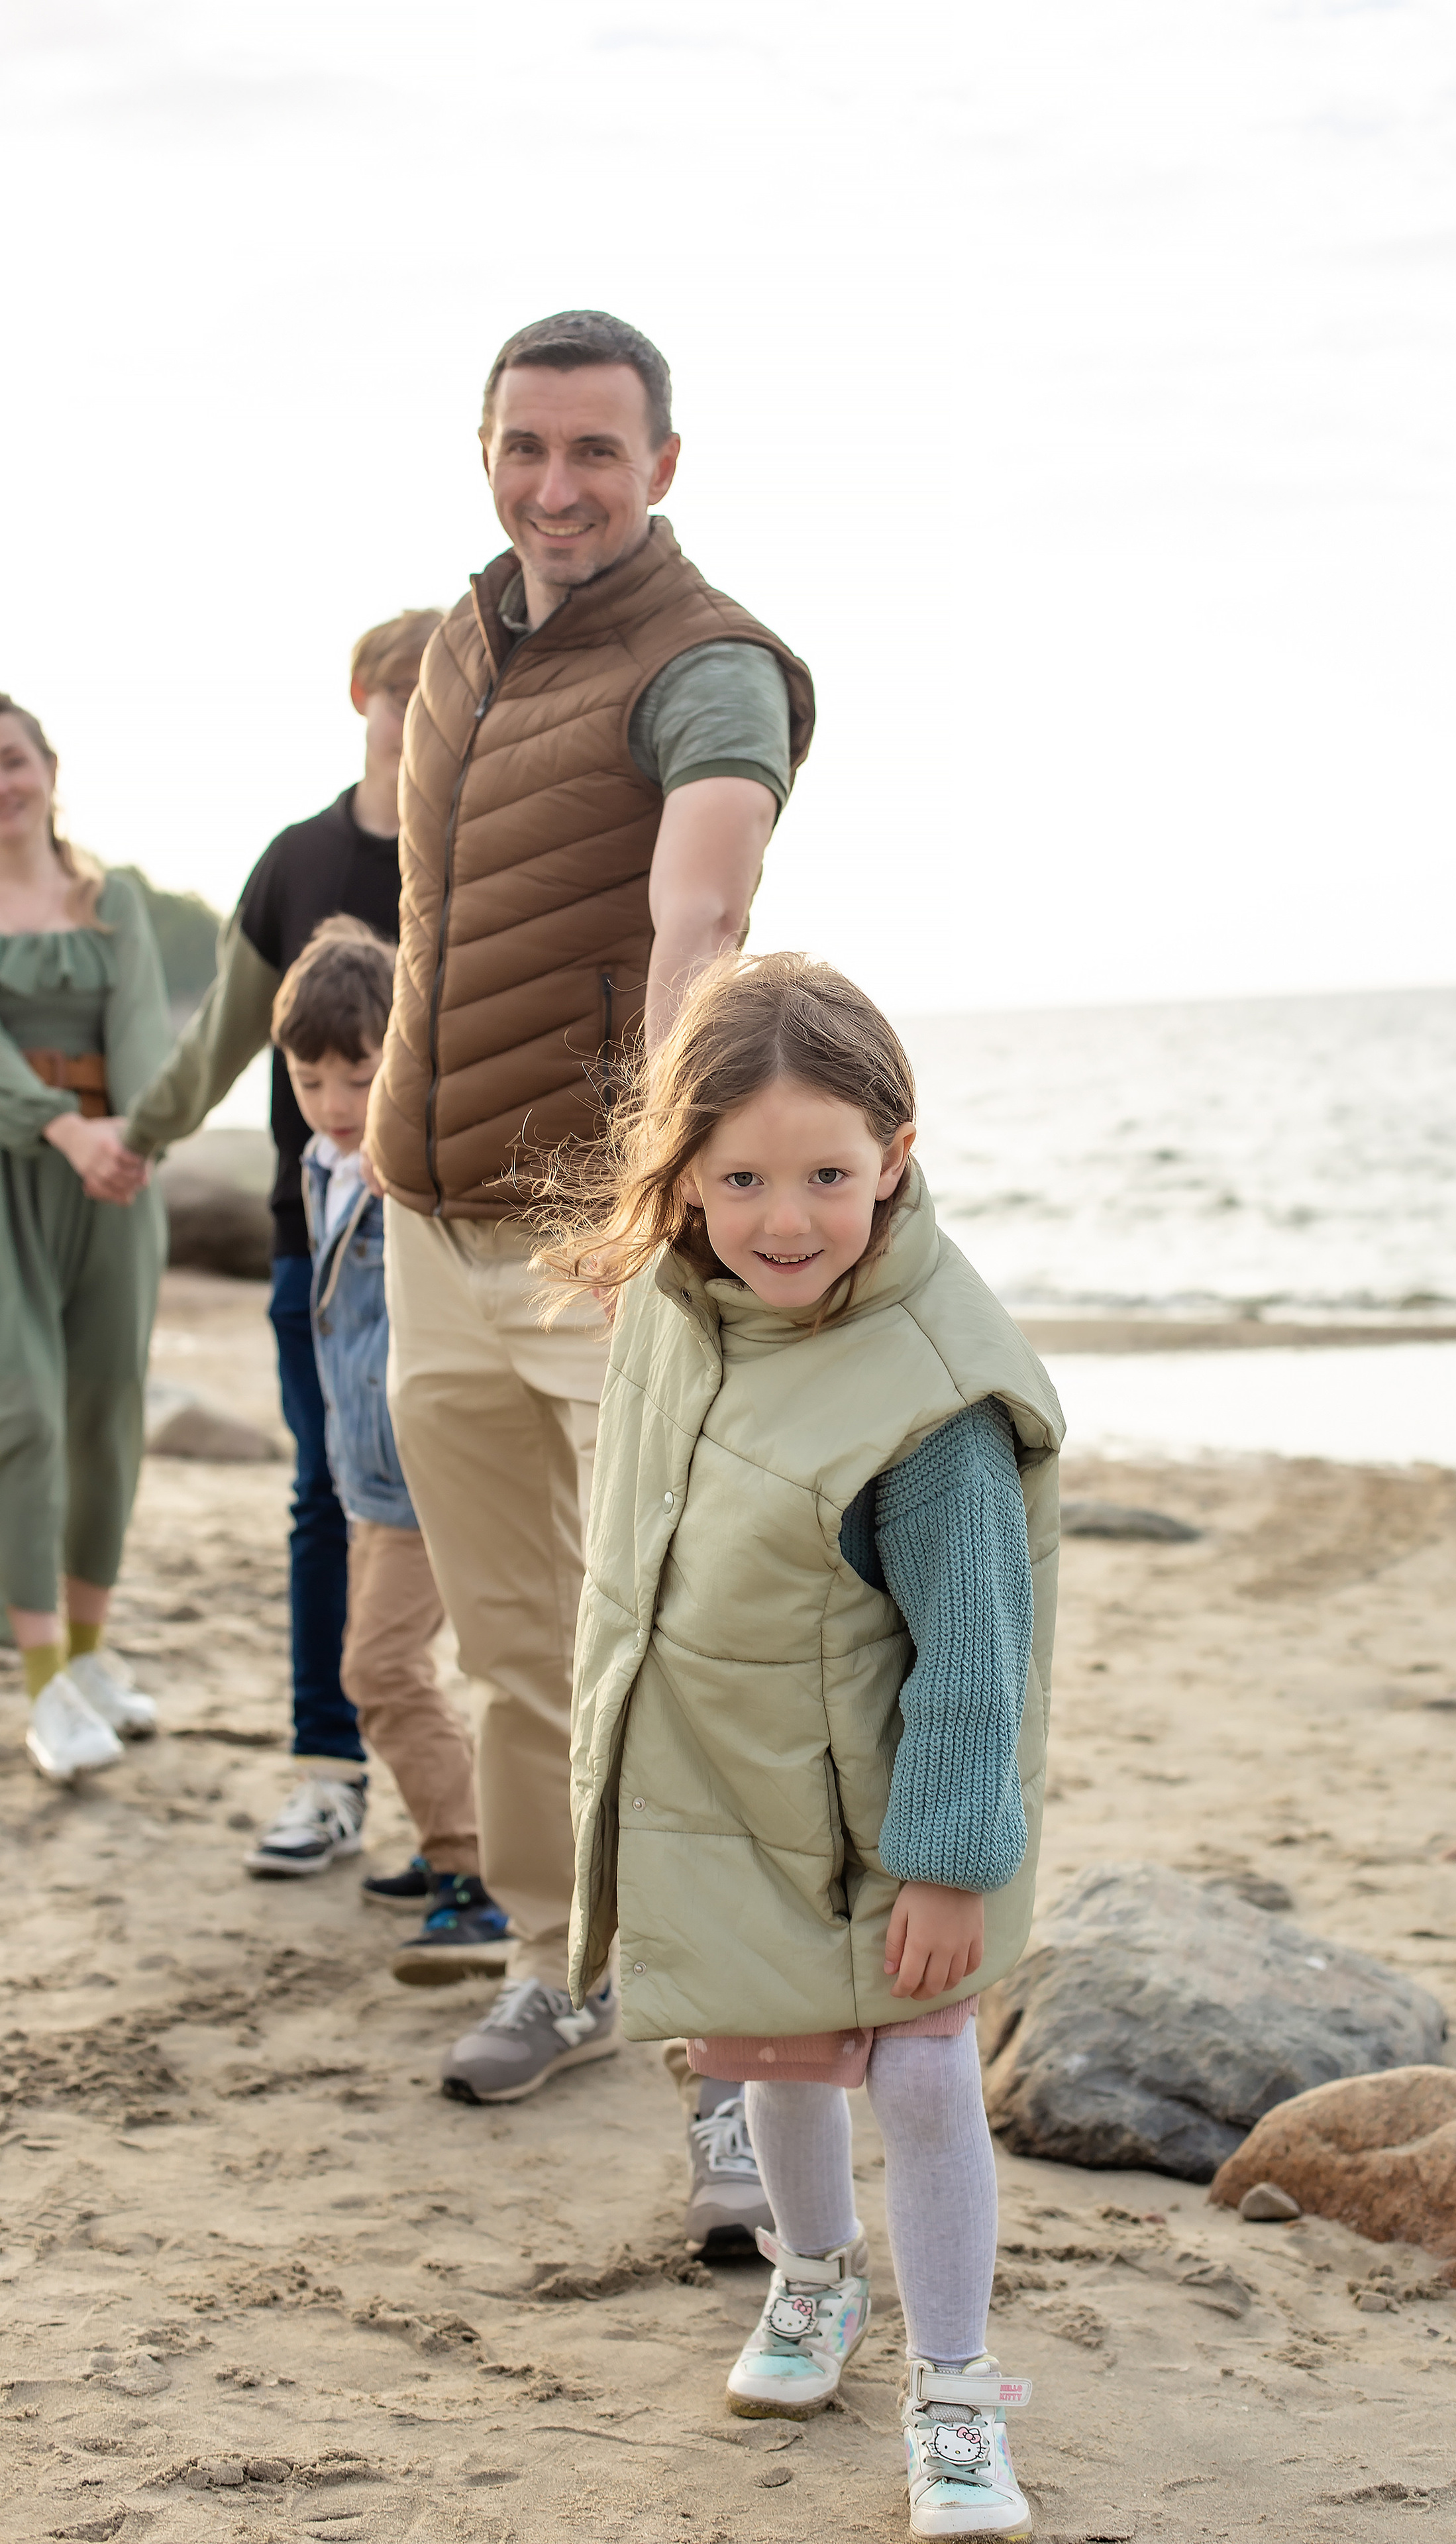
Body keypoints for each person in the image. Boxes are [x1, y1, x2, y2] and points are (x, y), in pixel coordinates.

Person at [362, 305, 815, 2200]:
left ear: (664, 468)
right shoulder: (463, 638)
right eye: (526, 447)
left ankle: (733, 2069)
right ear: (485, 448)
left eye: (597, 454)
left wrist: (653, 1188)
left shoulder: (710, 668)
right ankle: (559, 1961)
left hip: (596, 1242)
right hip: (426, 1219)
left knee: (672, 1650)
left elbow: (697, 912)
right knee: (521, 1641)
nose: (558, 487)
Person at [539, 951, 1063, 2541]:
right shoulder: (680, 1315)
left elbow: (979, 1653)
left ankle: (957, 2389)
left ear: (893, 1160)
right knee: (760, 2046)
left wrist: (952, 1865)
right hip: (724, 1786)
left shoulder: (926, 1397)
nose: (786, 1219)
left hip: (889, 1816)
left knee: (917, 2077)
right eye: (744, 1176)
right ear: (684, 1174)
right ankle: (812, 2281)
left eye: (828, 1176)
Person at [98, 611, 443, 1878]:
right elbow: (229, 1034)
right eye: (408, 693)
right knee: (323, 1502)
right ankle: (328, 1774)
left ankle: (482, 1820)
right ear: (364, 693)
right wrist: (141, 1137)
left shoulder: (486, 845)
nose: (425, 717)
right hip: (320, 1249)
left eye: (452, 692)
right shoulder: (298, 861)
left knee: (482, 1516)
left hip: (462, 1255)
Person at [272, 917, 508, 1982]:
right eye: (310, 1079)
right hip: (361, 1475)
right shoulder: (323, 1164)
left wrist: (401, 1159)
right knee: (394, 1668)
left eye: (358, 1077)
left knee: (376, 1668)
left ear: (400, 1062)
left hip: (417, 1468)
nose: (334, 1104)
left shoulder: (404, 1171)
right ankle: (450, 1840)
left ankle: (475, 1877)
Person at [0, 695, 170, 1782]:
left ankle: (96, 1653)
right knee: (24, 1417)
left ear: (50, 768)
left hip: (115, 1182)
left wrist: (133, 1135)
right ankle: (43, 1684)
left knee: (106, 1417)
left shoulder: (116, 906)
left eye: (12, 759)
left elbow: (146, 1029)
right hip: (14, 1177)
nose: (3, 782)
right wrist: (62, 1128)